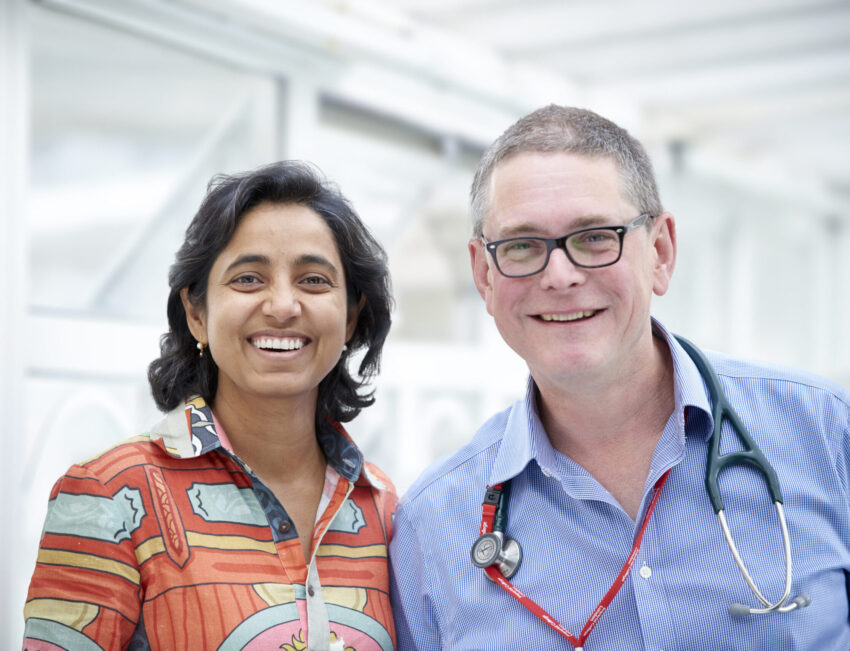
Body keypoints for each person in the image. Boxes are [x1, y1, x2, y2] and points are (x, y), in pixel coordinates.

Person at [389, 105, 850, 650]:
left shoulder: (824, 433)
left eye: (594, 237)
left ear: (660, 251)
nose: (559, 275)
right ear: (484, 275)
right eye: (521, 246)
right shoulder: (430, 527)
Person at [24, 161, 397, 650]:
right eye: (248, 279)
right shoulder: (110, 494)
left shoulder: (384, 508)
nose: (283, 305)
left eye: (313, 281)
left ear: (350, 317)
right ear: (197, 313)